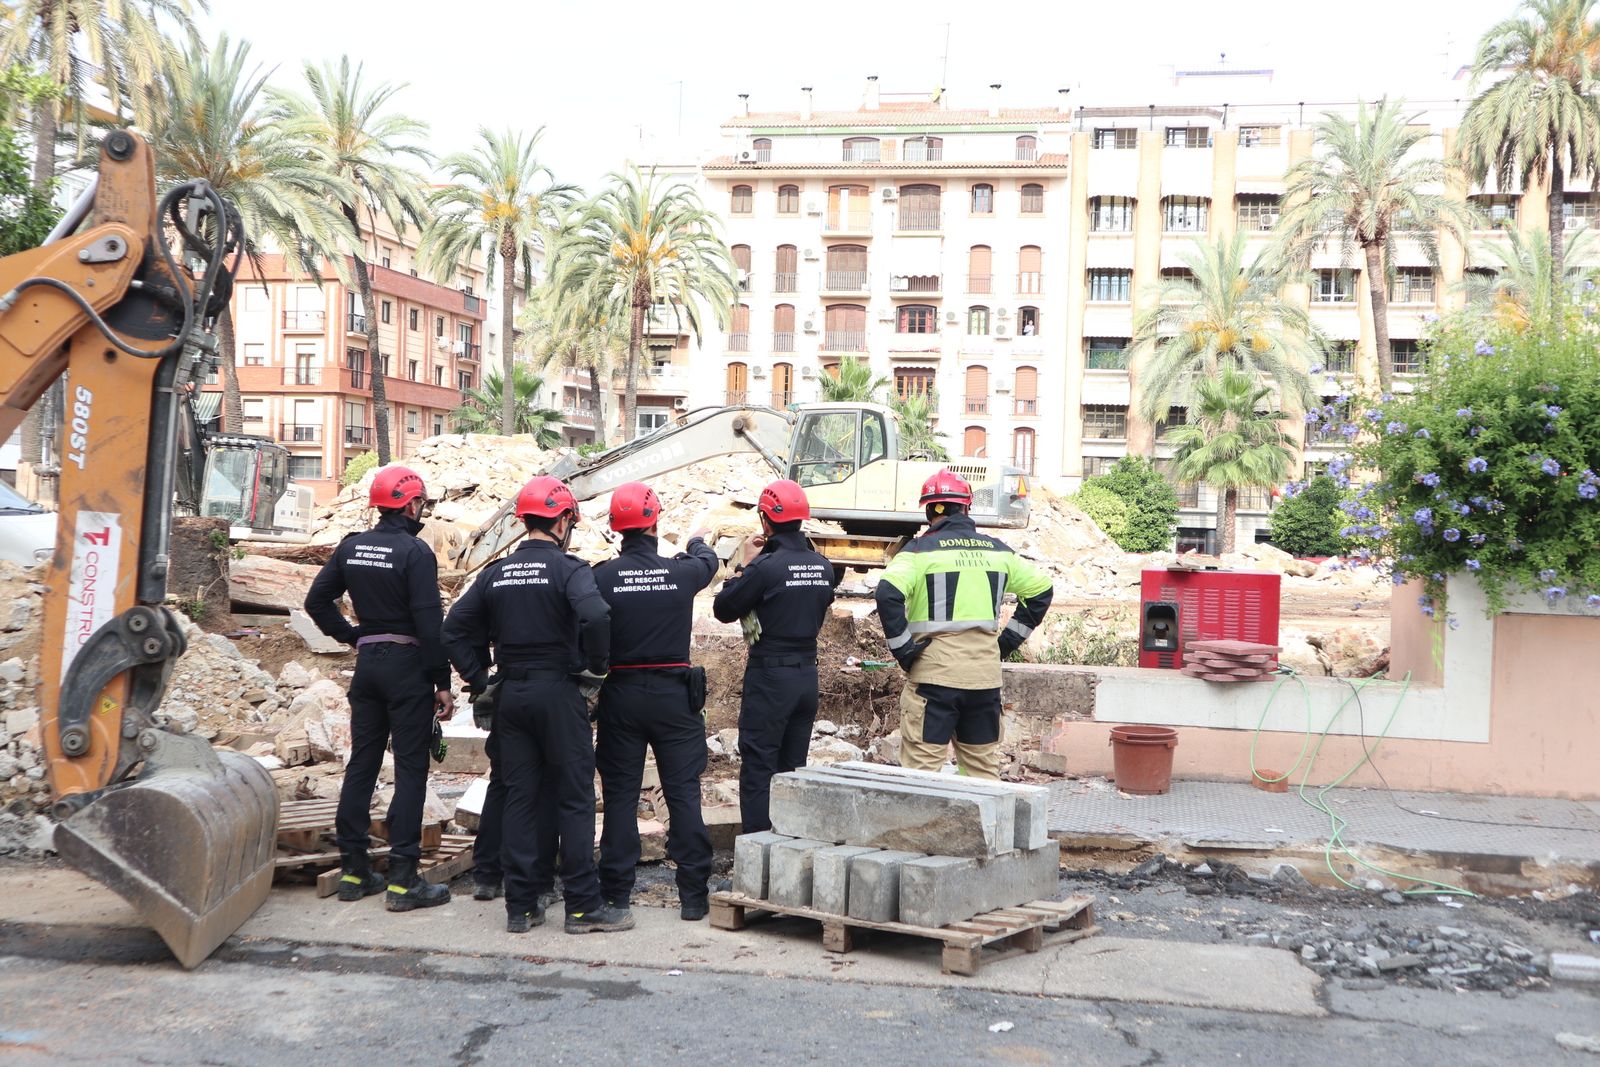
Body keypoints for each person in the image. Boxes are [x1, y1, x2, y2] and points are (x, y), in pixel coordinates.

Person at [442, 476, 631, 935]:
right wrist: (597, 666)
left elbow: (453, 628)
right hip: (557, 692)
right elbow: (597, 615)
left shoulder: (495, 572)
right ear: (564, 519)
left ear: (523, 520)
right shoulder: (570, 569)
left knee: (521, 799)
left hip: (511, 695)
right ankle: (583, 906)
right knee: (575, 797)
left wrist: (480, 676)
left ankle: (521, 906)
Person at [304, 465, 452, 911]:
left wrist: (353, 636)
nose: (421, 509)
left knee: (362, 766)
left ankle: (353, 872)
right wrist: (442, 682)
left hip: (368, 667)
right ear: (409, 505)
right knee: (410, 771)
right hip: (407, 667)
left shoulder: (351, 547)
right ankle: (404, 881)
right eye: (420, 503)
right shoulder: (415, 552)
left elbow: (316, 601)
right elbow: (430, 622)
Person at [591, 483, 720, 920]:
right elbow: (708, 562)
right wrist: (697, 539)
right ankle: (693, 896)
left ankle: (615, 894)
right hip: (673, 697)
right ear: (654, 522)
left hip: (620, 696)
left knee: (621, 796)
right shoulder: (681, 572)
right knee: (683, 793)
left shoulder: (601, 577)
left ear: (615, 528)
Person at [874, 468, 1054, 780]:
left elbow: (887, 593)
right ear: (967, 508)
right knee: (983, 776)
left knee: (921, 776)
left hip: (933, 681)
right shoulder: (999, 552)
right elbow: (1041, 591)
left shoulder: (917, 552)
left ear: (930, 510)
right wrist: (1005, 644)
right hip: (983, 681)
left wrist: (904, 650)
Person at [712, 479, 836, 834]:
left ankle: (756, 856)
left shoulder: (765, 568)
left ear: (766, 520)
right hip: (806, 679)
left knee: (759, 767)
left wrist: (745, 565)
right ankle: (789, 848)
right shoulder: (822, 565)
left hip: (770, 678)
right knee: (792, 768)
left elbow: (724, 608)